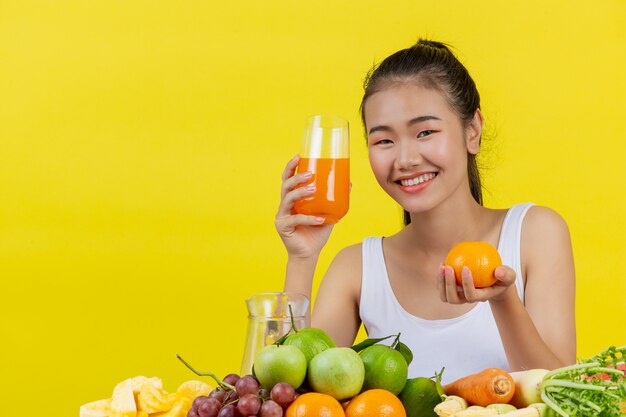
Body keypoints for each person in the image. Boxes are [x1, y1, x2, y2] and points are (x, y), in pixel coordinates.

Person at [275, 40, 576, 383]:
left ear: (472, 130)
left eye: (425, 132)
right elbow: (290, 395)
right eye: (384, 140)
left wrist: (503, 300)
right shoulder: (356, 268)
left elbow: (563, 395)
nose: (405, 159)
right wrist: (301, 258)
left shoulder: (534, 234)